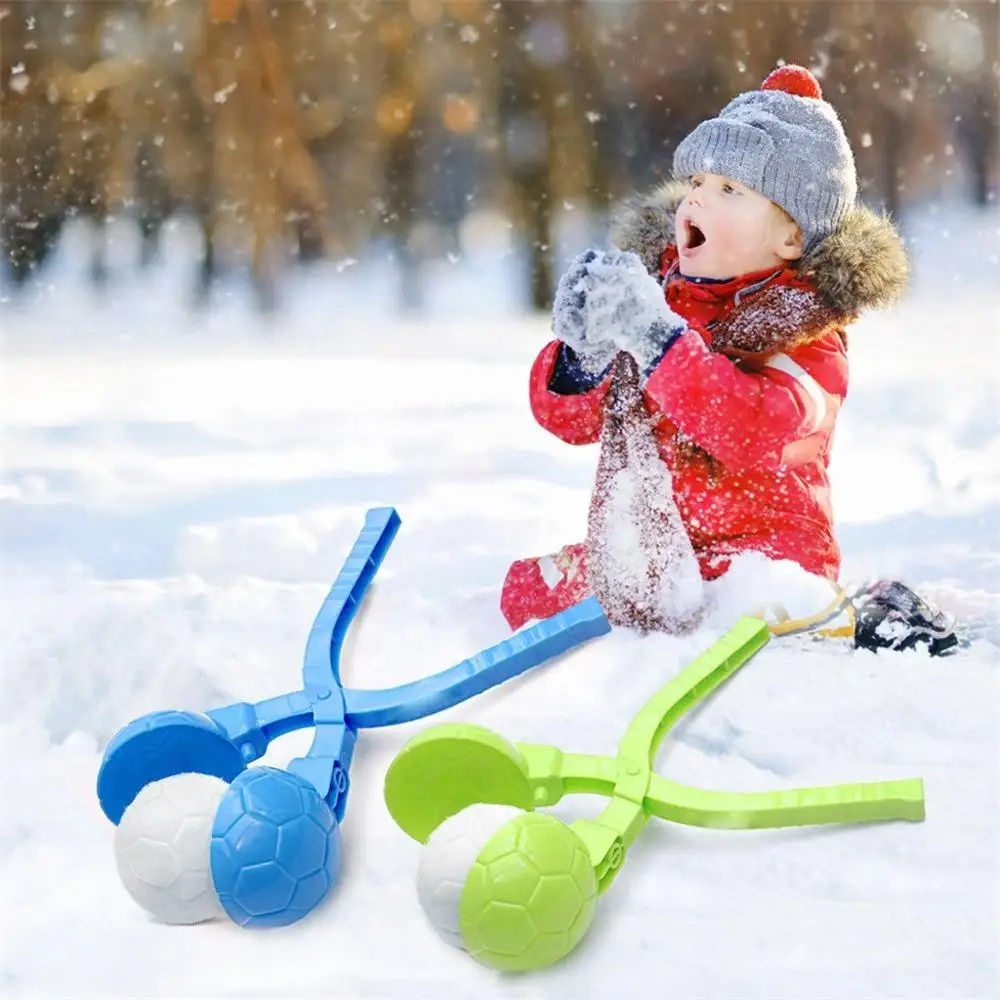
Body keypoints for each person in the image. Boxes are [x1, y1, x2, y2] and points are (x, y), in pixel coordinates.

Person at [501, 64, 958, 656]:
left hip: (763, 554)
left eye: (729, 190)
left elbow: (753, 430)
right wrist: (584, 355)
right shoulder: (659, 300)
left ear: (790, 239)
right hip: (660, 545)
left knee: (748, 608)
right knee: (527, 596)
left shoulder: (810, 337)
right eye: (697, 180)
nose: (696, 196)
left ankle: (843, 611)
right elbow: (571, 422)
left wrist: (661, 346)